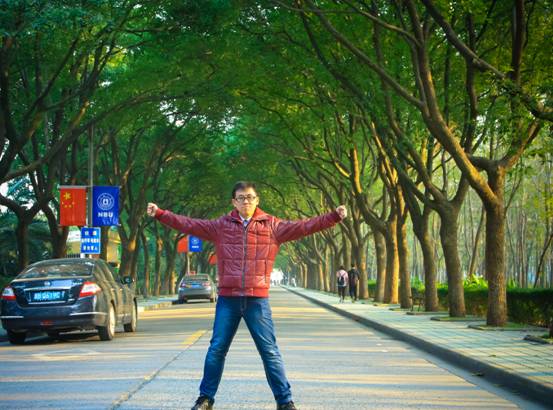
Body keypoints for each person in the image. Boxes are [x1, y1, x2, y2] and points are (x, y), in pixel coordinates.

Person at [146, 181, 347, 410]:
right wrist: (160, 214)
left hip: (257, 300)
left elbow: (304, 226)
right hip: (228, 300)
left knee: (269, 352)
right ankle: (205, 399)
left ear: (257, 200)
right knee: (216, 350)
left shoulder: (273, 226)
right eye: (241, 198)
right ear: (234, 202)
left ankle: (285, 402)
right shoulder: (221, 226)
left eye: (250, 197)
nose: (246, 202)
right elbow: (189, 224)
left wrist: (333, 217)